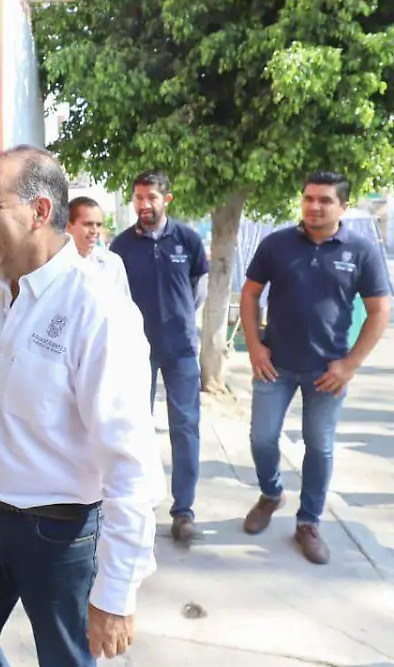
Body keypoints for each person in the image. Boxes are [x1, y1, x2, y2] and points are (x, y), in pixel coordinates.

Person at [0, 145, 164, 667]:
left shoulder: (98, 310)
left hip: (58, 535)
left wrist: (116, 591)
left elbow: (130, 462)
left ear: (39, 212)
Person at [240, 171, 392, 564]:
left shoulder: (360, 250)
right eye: (308, 198)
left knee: (319, 446)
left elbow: (379, 311)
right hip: (275, 365)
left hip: (328, 371)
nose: (314, 206)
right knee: (261, 439)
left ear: (343, 205)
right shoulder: (277, 244)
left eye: (325, 200)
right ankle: (271, 494)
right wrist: (255, 346)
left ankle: (308, 522)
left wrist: (350, 365)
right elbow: (251, 293)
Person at [110, 170, 208, 544]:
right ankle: (138, 504)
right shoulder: (121, 247)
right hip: (136, 351)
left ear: (167, 199)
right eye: (138, 197)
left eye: (151, 197)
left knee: (185, 429)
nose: (143, 204)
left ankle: (184, 511)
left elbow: (198, 289)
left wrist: (180, 318)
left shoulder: (187, 239)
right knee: (135, 428)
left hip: (181, 349)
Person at [67, 196, 130, 295]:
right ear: (68, 226)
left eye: (99, 225)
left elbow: (125, 306)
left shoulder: (112, 262)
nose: (94, 231)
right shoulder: (56, 264)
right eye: (87, 224)